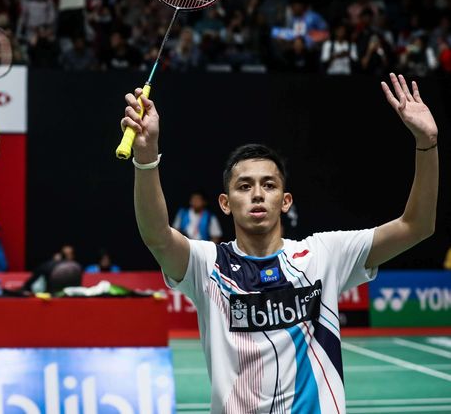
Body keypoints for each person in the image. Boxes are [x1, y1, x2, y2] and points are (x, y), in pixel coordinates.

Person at [119, 72, 438, 413]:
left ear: (285, 201)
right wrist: (146, 158)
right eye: (244, 186)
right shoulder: (208, 265)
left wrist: (427, 144)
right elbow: (157, 236)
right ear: (225, 203)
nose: (257, 194)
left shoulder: (323, 256)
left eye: (268, 185)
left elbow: (415, 226)